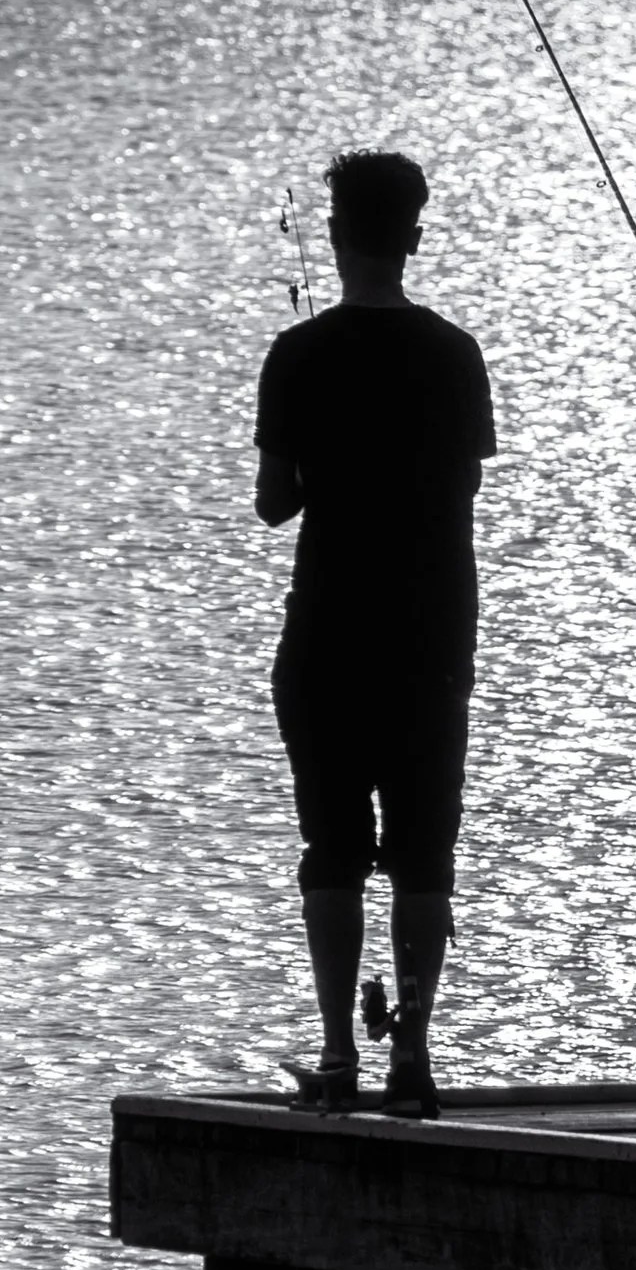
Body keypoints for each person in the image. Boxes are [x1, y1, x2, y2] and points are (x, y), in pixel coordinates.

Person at [256, 149, 496, 1116]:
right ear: (414, 238)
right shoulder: (455, 354)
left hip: (328, 631)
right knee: (425, 849)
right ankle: (415, 1060)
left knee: (334, 846)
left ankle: (336, 1054)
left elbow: (274, 502)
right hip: (433, 636)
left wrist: (328, 472)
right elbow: (463, 484)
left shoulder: (297, 355)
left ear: (332, 235)